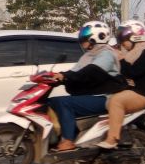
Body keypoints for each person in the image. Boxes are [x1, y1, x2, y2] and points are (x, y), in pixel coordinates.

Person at [45, 21, 126, 152]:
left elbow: (90, 72)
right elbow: (75, 73)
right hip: (93, 95)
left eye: (85, 37)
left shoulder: (107, 54)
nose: (82, 40)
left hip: (105, 98)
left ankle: (68, 140)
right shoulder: (88, 55)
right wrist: (58, 78)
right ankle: (66, 135)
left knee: (64, 103)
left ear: (97, 37)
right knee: (52, 101)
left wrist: (65, 76)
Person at [102, 19, 145, 148]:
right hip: (136, 91)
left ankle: (113, 138)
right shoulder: (133, 54)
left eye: (124, 40)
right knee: (109, 98)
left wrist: (121, 59)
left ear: (135, 37)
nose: (122, 44)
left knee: (116, 101)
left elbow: (132, 72)